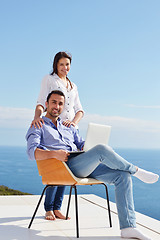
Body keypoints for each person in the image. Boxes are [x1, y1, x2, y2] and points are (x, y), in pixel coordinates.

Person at [26, 90, 159, 240]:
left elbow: (81, 144)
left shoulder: (68, 126)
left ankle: (128, 227)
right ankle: (136, 170)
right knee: (102, 149)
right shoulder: (38, 125)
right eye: (54, 102)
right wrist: (55, 154)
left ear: (63, 107)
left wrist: (86, 146)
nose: (57, 106)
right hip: (64, 167)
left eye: (60, 103)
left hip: (83, 163)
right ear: (46, 104)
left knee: (122, 176)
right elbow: (32, 153)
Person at [31, 52, 84, 221]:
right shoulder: (49, 79)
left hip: (68, 130)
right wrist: (37, 118)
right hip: (52, 127)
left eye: (67, 64)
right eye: (61, 64)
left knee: (67, 167)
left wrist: (74, 123)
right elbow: (41, 101)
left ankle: (57, 207)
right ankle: (49, 208)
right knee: (55, 167)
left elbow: (80, 110)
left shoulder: (73, 86)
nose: (64, 67)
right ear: (56, 65)